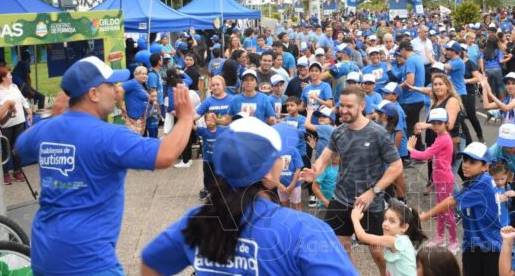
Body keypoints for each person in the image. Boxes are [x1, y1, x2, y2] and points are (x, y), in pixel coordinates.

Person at [15, 56, 195, 275]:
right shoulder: (109, 137)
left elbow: (21, 146)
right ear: (93, 94)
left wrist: (55, 118)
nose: (117, 90)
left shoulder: (47, 129)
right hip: (88, 262)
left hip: (44, 254)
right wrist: (185, 118)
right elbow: (166, 155)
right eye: (111, 85)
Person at [141, 118, 357, 275]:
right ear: (265, 172)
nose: (282, 161)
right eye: (277, 156)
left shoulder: (196, 220)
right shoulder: (305, 230)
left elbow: (151, 263)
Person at [300, 87, 403, 276]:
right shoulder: (338, 132)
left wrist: (373, 192)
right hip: (341, 199)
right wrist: (315, 171)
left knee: (378, 252)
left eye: (349, 106)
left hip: (370, 204)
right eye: (341, 106)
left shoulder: (378, 133)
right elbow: (325, 156)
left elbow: (397, 166)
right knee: (341, 248)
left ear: (362, 106)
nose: (344, 110)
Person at [420, 142, 501, 274]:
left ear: (485, 166)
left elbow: (452, 201)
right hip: (474, 242)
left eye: (473, 162)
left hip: (487, 247)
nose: (466, 165)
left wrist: (424, 216)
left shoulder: (482, 183)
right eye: (465, 160)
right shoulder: (476, 180)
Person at [408, 108, 456, 251]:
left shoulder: (443, 139)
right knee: (440, 211)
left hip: (444, 180)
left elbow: (426, 155)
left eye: (439, 123)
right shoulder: (441, 137)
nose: (435, 126)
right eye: (433, 123)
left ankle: (454, 242)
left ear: (446, 123)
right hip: (440, 179)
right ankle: (440, 238)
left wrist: (410, 149)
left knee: (446, 212)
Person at [351, 199, 426, 276]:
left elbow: (362, 237)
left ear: (404, 227)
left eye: (392, 221)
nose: (385, 224)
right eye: (385, 219)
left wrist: (355, 218)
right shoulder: (401, 240)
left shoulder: (396, 241)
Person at [0, 67, 32, 185]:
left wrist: (29, 111)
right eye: (10, 75)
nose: (12, 77)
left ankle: (17, 171)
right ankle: (5, 174)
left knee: (18, 148)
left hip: (20, 122)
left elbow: (23, 100)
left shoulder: (14, 87)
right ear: (3, 78)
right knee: (6, 150)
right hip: (6, 125)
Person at [119, 65, 149, 135]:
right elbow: (119, 90)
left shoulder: (140, 84)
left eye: (145, 74)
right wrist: (121, 105)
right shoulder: (133, 83)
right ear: (136, 74)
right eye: (142, 74)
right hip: (133, 120)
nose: (144, 76)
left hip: (140, 120)